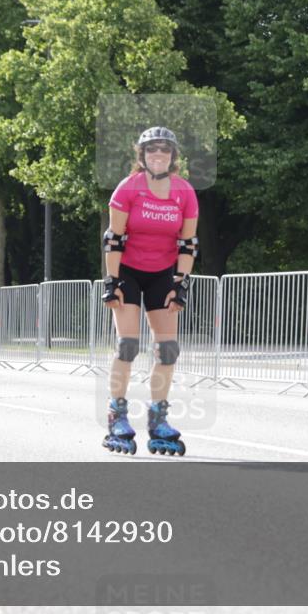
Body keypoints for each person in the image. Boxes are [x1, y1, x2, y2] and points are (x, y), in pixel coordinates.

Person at [100, 126, 198, 456]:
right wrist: (112, 281)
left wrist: (180, 284)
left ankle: (158, 419)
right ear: (141, 156)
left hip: (162, 274)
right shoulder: (129, 188)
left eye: (165, 150)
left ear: (173, 157)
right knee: (128, 345)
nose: (158, 155)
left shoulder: (184, 192)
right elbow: (114, 238)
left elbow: (187, 243)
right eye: (152, 150)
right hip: (128, 271)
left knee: (168, 350)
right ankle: (117, 415)